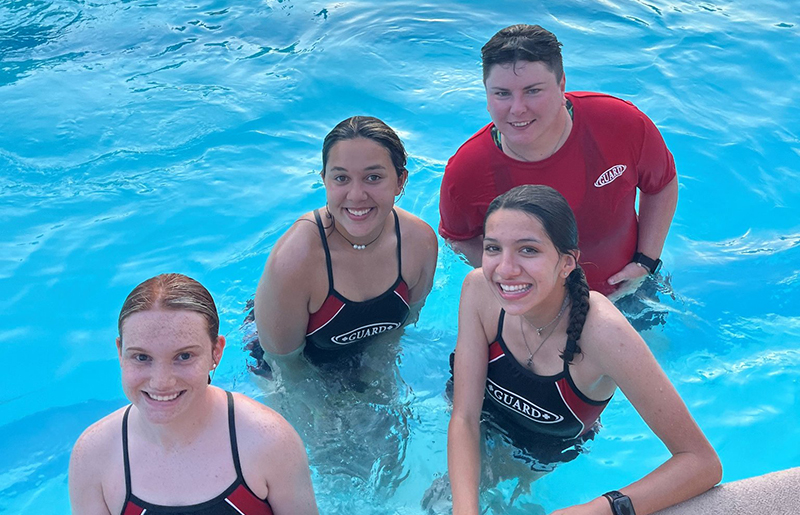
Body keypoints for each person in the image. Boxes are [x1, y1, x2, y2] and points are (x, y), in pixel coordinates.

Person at [447, 185, 721, 515]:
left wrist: (599, 508)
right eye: (493, 248)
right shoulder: (479, 289)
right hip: (480, 419)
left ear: (567, 263)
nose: (505, 269)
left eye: (528, 250)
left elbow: (702, 462)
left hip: (544, 449)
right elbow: (464, 417)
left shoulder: (605, 334)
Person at [439, 24, 678, 295]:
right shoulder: (466, 171)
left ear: (561, 84)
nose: (517, 109)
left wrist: (645, 262)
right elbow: (459, 240)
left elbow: (661, 184)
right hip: (535, 309)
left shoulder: (621, 123)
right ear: (486, 94)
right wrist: (518, 286)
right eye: (502, 94)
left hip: (630, 287)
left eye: (533, 91)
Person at [69, 273, 318, 515]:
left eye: (184, 356)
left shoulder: (268, 440)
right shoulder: (94, 456)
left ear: (216, 353)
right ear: (120, 352)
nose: (161, 382)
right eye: (142, 357)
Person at [254, 115, 438, 362]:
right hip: (286, 362)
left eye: (373, 177)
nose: (356, 195)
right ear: (325, 181)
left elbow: (400, 328)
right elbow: (283, 369)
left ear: (400, 180)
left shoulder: (420, 242)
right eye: (341, 178)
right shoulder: (294, 261)